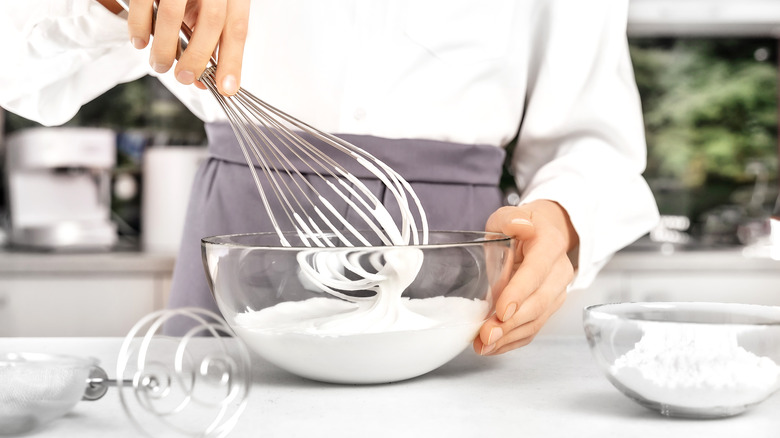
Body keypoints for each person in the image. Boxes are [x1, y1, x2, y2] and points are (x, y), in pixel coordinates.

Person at [0, 0, 659, 355]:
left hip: (453, 278)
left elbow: (593, 144)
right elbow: (16, 68)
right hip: (241, 252)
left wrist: (565, 217)